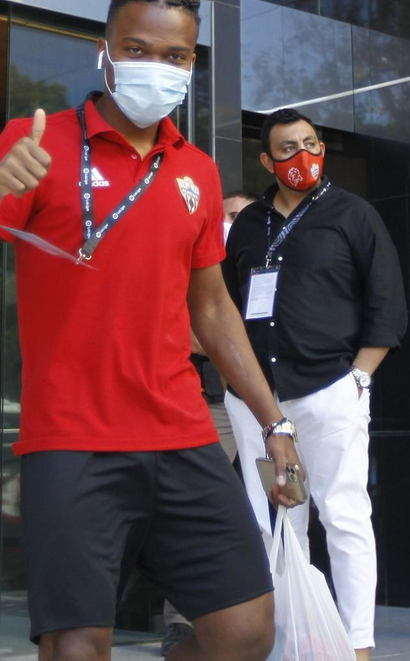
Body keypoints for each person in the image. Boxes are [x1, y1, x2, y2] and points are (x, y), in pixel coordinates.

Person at [0, 0, 305, 661]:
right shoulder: (34, 143)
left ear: (192, 62)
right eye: (138, 47)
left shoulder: (197, 170)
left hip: (181, 431)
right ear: (105, 50)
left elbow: (214, 308)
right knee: (76, 647)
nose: (157, 66)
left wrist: (274, 420)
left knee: (246, 633)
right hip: (73, 439)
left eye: (176, 55)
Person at [222, 108, 408, 661]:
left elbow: (388, 306)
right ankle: (292, 643)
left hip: (328, 394)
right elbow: (227, 308)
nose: (301, 156)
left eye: (310, 143)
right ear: (266, 160)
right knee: (279, 518)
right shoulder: (251, 224)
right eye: (286, 148)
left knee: (344, 515)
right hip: (259, 403)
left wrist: (358, 380)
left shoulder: (355, 215)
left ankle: (355, 648)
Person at [159, 189, 255, 656]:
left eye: (239, 215)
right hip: (213, 404)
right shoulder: (198, 266)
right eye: (225, 214)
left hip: (270, 405)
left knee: (271, 510)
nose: (229, 222)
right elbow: (196, 331)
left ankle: (279, 610)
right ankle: (181, 622)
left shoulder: (264, 261)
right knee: (191, 515)